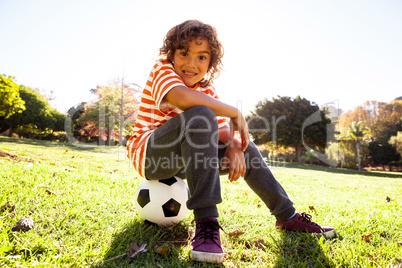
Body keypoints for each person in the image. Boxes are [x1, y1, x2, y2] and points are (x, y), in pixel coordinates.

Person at [127, 19, 336, 264]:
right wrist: (235, 112)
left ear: (211, 62)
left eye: (202, 57)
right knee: (201, 114)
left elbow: (224, 131)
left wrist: (236, 146)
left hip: (186, 160)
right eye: (184, 53)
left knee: (245, 147)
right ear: (171, 54)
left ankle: (287, 216)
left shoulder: (208, 90)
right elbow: (183, 98)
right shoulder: (163, 70)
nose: (191, 63)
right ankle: (206, 223)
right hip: (150, 155)